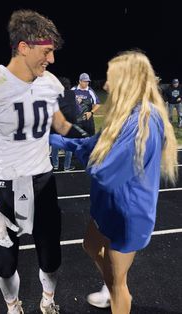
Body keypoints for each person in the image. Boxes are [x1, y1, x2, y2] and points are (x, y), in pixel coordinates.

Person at [0, 9, 87, 314]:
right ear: (23, 47)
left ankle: (48, 301)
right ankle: (13, 306)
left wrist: (92, 140)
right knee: (4, 264)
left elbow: (59, 127)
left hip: (43, 182)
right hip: (4, 185)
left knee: (52, 258)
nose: (52, 59)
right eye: (46, 51)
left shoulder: (50, 83)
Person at [50, 50, 178, 314]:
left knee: (120, 285)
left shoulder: (144, 121)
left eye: (111, 79)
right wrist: (50, 139)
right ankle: (111, 284)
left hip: (128, 215)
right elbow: (91, 143)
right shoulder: (124, 116)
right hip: (108, 206)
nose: (105, 85)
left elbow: (106, 172)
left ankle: (115, 291)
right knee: (91, 245)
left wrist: (79, 151)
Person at [51, 76, 77, 171]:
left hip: (57, 121)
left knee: (55, 144)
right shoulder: (72, 93)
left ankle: (55, 165)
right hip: (69, 122)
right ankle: (66, 166)